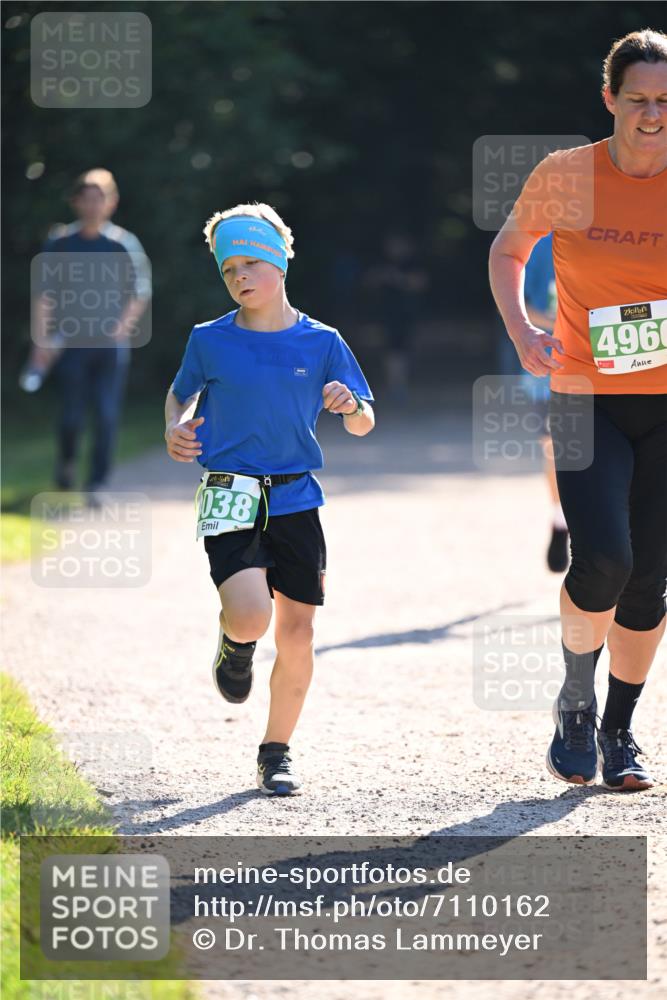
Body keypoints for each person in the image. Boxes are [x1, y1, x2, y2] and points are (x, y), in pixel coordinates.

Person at [489, 29, 667, 791]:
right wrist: (522, 329)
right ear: (609, 99)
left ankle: (619, 732)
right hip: (584, 395)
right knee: (603, 560)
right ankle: (573, 698)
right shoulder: (566, 174)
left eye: (664, 101)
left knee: (649, 583)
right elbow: (507, 250)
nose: (651, 115)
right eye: (637, 100)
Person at [164, 203, 375, 796]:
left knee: (299, 633)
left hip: (296, 498)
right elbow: (178, 396)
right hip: (228, 491)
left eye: (251, 262)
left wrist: (350, 406)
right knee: (253, 614)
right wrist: (174, 427)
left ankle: (276, 751)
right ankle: (235, 644)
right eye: (229, 268)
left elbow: (364, 421)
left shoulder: (323, 341)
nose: (240, 277)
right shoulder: (209, 340)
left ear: (280, 262)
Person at [31, 169, 151, 496]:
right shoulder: (60, 244)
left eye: (100, 199)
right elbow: (44, 294)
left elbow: (139, 292)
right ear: (76, 203)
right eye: (86, 199)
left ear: (111, 203)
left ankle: (98, 481)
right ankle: (66, 466)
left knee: (107, 415)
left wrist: (121, 328)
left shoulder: (123, 244)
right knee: (71, 415)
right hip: (70, 343)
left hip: (110, 347)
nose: (93, 206)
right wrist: (41, 339)